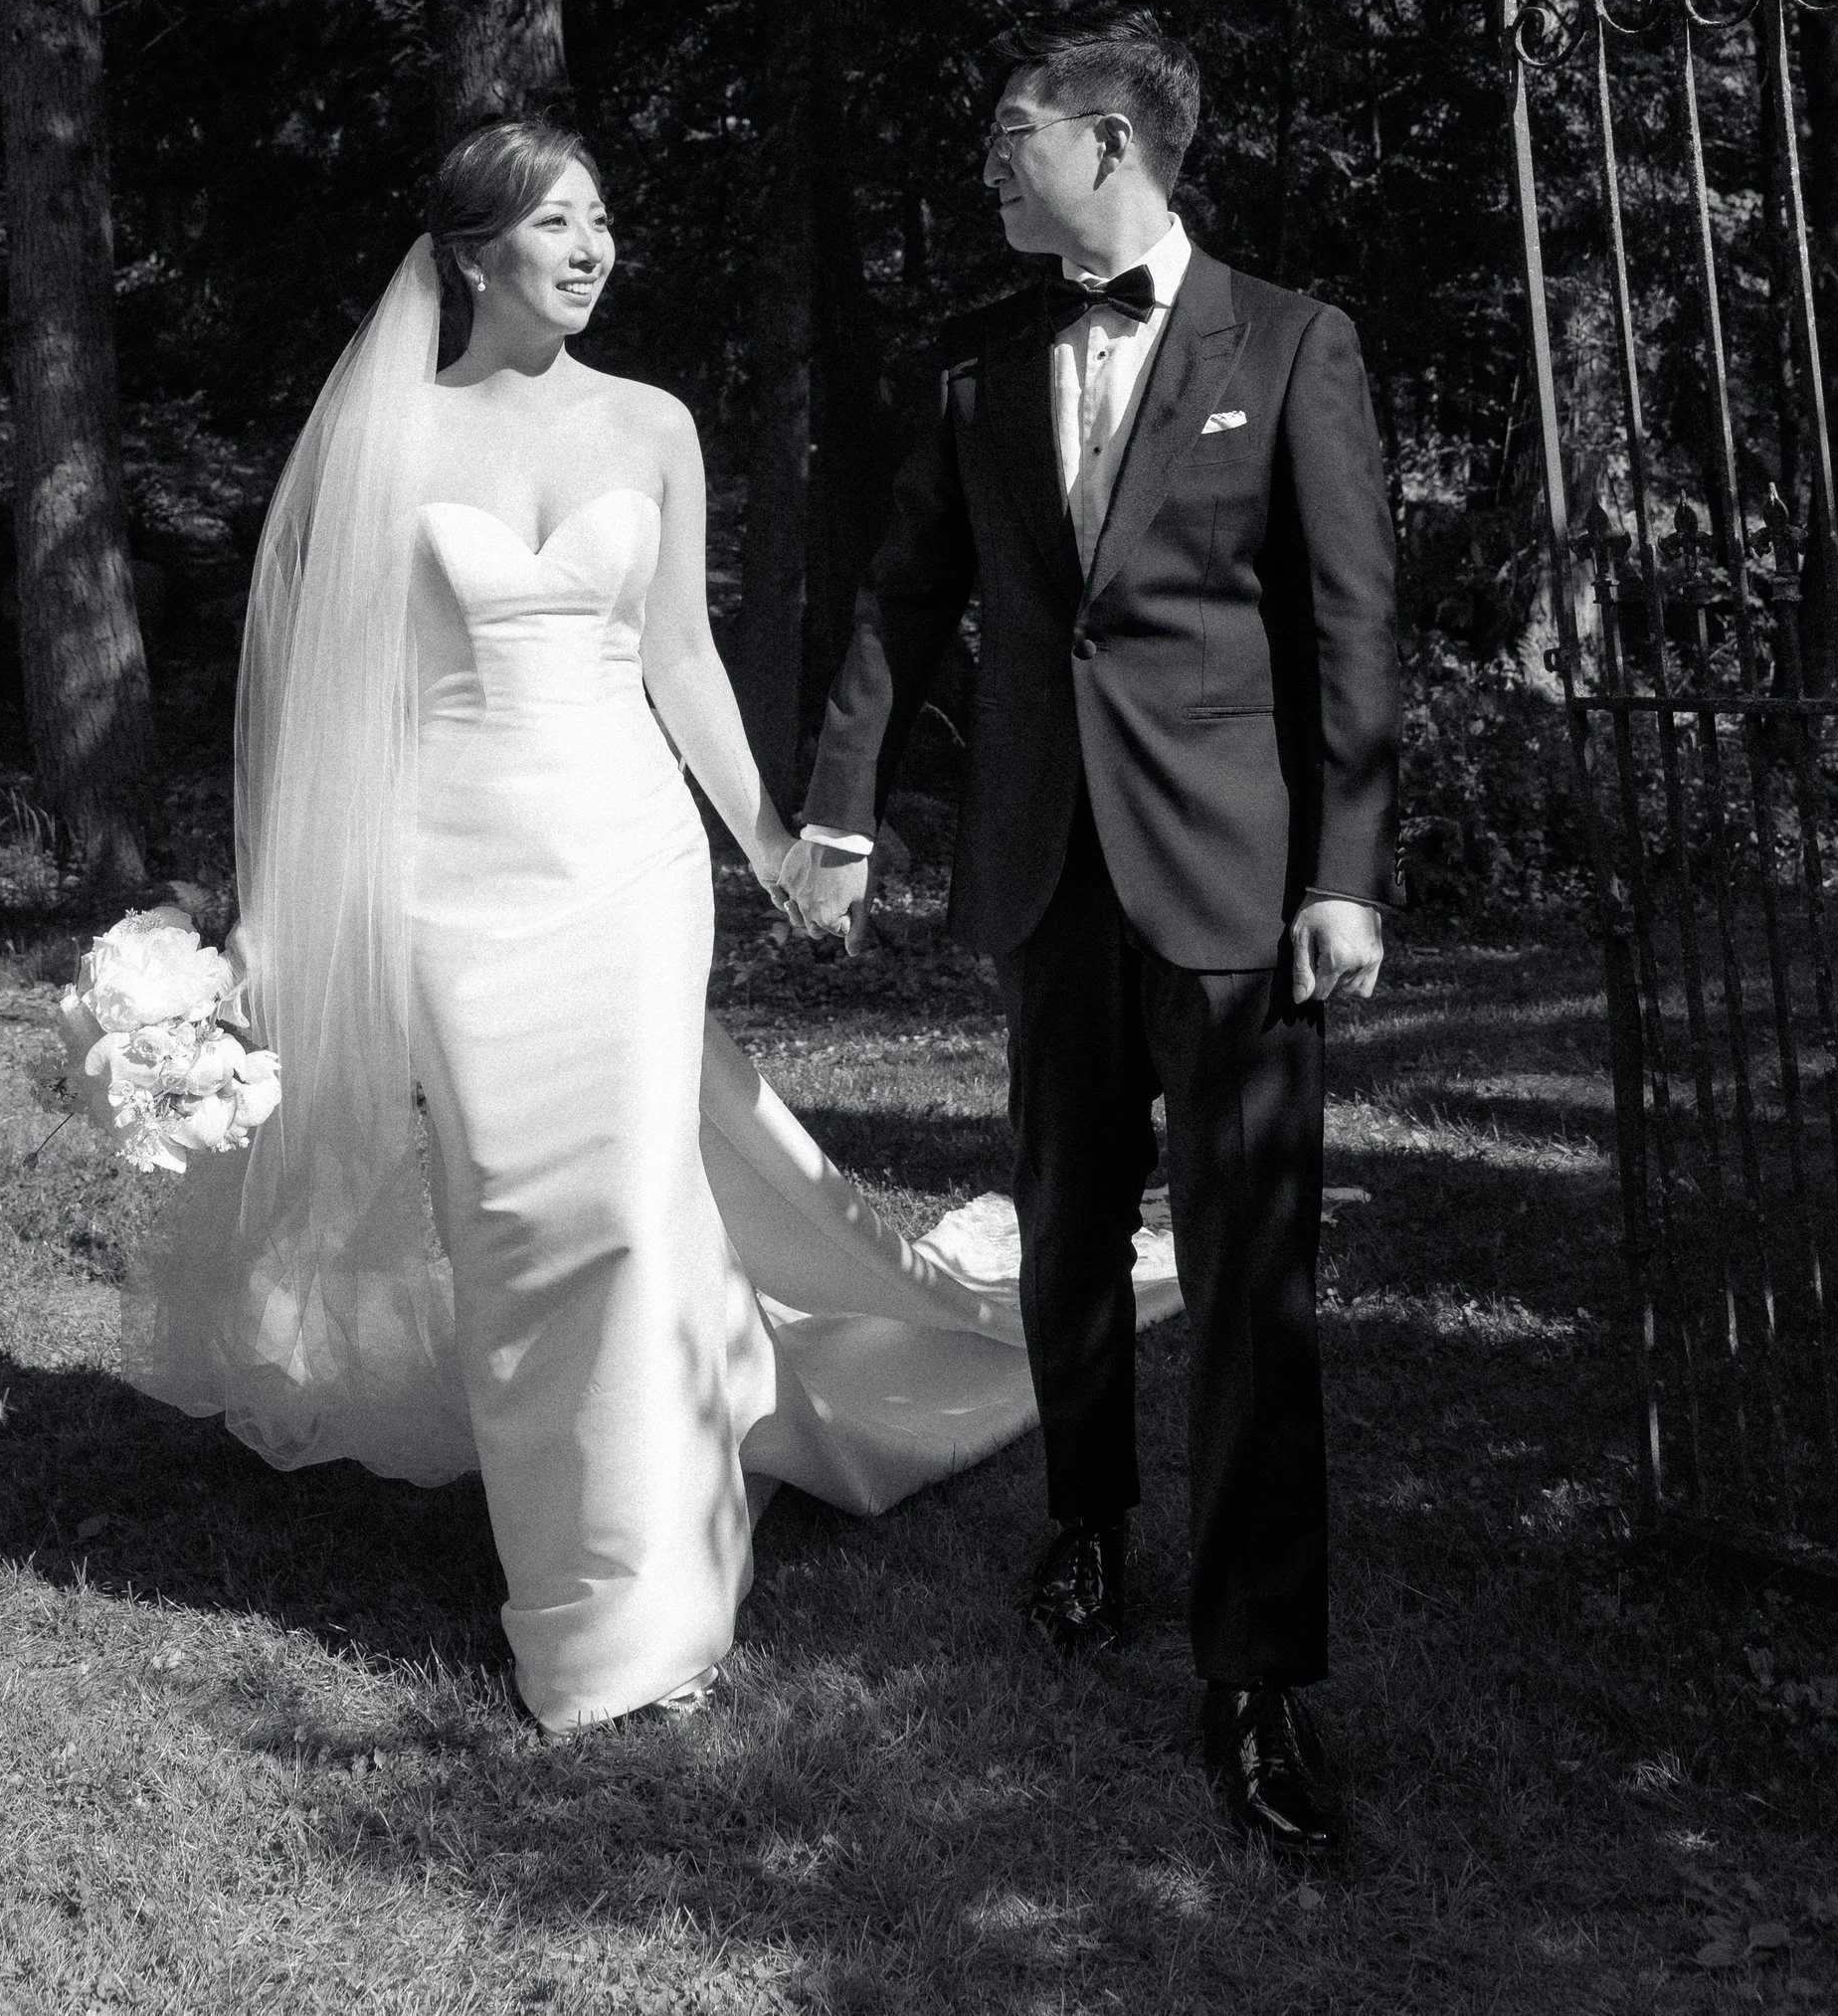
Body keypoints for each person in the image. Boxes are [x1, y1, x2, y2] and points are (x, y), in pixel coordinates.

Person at [127, 114, 1170, 1732]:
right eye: (557, 222)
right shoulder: (385, 437)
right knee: (513, 1229)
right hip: (451, 880)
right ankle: (602, 1521)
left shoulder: (658, 425)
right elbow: (346, 709)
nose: (594, 245)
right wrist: (281, 924)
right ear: (474, 254)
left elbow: (680, 654)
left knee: (615, 1207)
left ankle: (622, 1623)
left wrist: (768, 833)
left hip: (623, 863)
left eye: (601, 218)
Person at [794, 10, 1398, 1860]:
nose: (991, 158)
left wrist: (1347, 868)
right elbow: (908, 593)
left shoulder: (1293, 341)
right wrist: (839, 799)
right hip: (1045, 872)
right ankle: (1082, 1527)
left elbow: (1351, 625)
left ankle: (1254, 1672)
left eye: (1017, 131)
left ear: (1116, 145)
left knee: (1248, 1280)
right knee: (1065, 1236)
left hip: (1232, 885)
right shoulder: (980, 364)